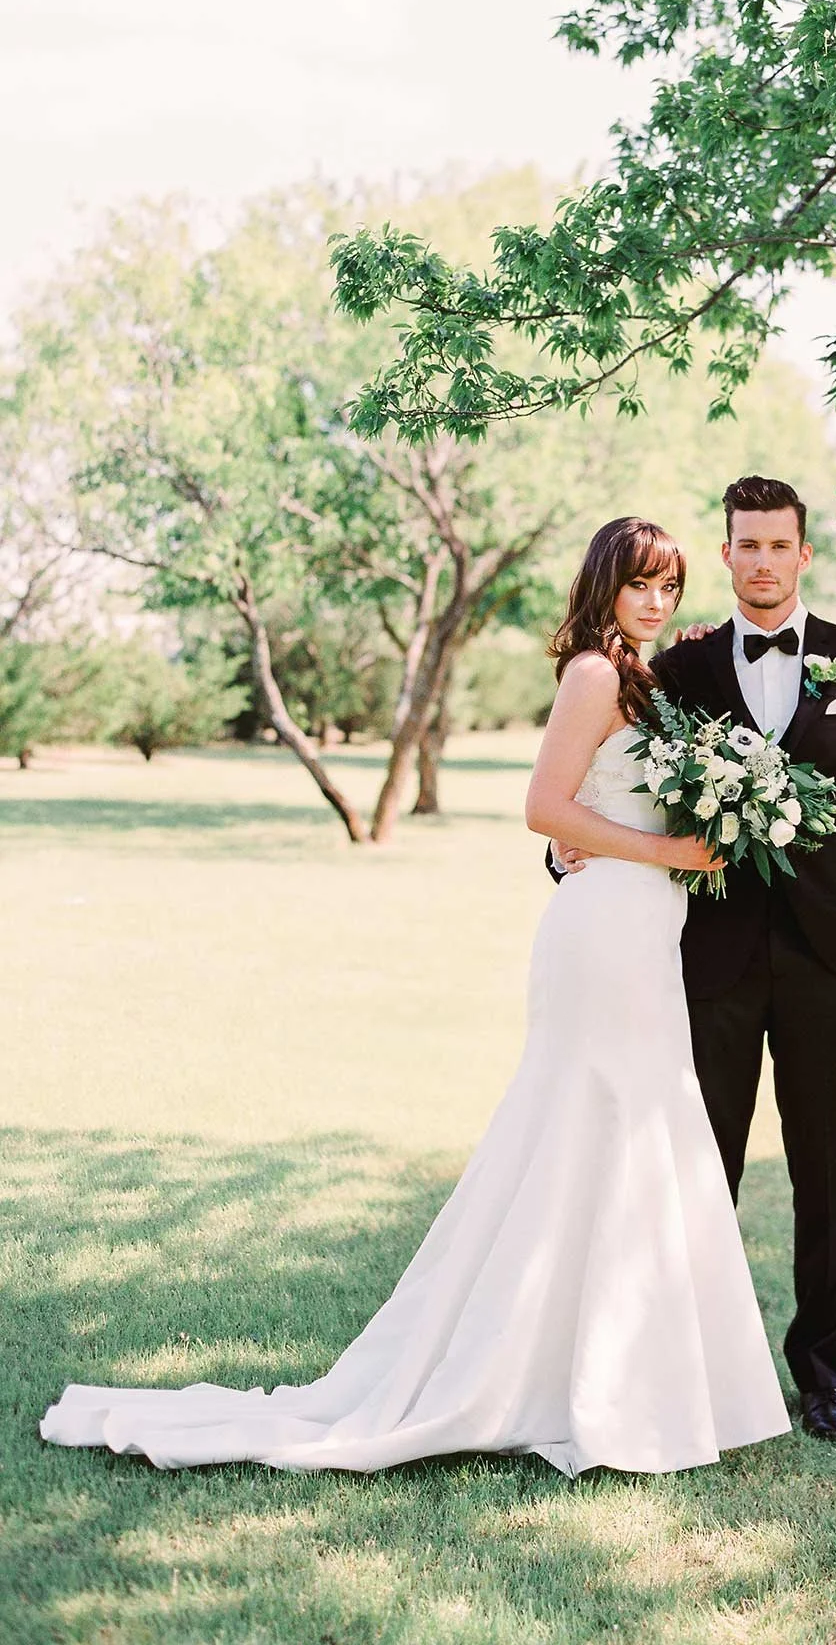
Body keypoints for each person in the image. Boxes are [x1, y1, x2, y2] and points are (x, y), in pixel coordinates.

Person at [39, 518, 791, 1478]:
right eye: (639, 583)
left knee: (636, 1131)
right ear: (604, 583)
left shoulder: (641, 676)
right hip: (604, 930)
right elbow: (546, 809)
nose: (654, 601)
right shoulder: (594, 676)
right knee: (586, 1123)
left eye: (668, 588)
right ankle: (548, 1375)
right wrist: (673, 852)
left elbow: (609, 803)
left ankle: (611, 1371)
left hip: (645, 931)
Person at [556, 476, 836, 1441]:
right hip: (701, 959)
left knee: (821, 1170)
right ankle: (695, 1371)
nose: (761, 561)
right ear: (726, 555)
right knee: (700, 1166)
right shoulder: (677, 668)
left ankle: (822, 1377)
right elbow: (604, 773)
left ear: (804, 554)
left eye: (777, 546)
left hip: (826, 965)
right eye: (744, 545)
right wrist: (560, 851)